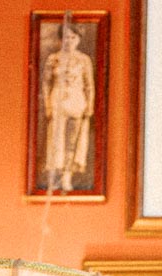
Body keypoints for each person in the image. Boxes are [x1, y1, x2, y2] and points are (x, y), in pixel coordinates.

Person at [41, 22, 95, 194]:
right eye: (66, 37)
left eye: (73, 37)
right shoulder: (53, 59)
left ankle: (67, 177)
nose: (69, 41)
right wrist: (48, 105)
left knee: (72, 141)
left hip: (77, 102)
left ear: (78, 39)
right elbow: (46, 84)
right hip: (58, 102)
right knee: (56, 140)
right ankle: (54, 177)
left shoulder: (84, 60)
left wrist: (90, 104)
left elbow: (89, 85)